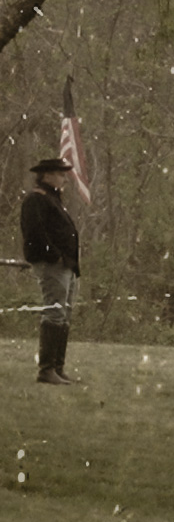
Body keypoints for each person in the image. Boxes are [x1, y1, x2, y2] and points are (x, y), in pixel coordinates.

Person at [20, 158, 82, 385]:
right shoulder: (37, 199)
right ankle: (46, 369)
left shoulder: (53, 200)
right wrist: (54, 255)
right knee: (54, 313)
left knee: (63, 315)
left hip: (65, 265)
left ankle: (57, 367)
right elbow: (35, 233)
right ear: (47, 175)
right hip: (52, 264)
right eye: (60, 174)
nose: (64, 178)